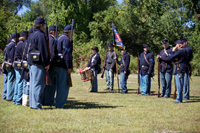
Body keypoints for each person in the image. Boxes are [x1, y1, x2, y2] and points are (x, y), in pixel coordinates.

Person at [27, 18, 50, 109]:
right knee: (38, 84)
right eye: (43, 25)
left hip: (31, 62)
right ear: (41, 25)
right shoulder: (40, 35)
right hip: (38, 63)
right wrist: (46, 63)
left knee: (33, 84)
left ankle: (33, 103)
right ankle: (36, 104)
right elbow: (43, 50)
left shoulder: (32, 35)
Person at [54, 25, 73, 108]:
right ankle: (60, 104)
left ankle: (58, 102)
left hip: (57, 64)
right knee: (63, 86)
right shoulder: (66, 39)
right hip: (63, 65)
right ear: (69, 31)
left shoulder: (58, 38)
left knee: (59, 85)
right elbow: (67, 54)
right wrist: (69, 67)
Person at [42, 25, 58, 106]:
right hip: (50, 66)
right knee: (50, 85)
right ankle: (48, 101)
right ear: (53, 32)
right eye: (57, 31)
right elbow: (52, 54)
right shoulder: (51, 39)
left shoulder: (47, 38)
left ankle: (45, 100)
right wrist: (53, 65)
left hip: (46, 64)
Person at [13, 31, 28, 105]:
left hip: (16, 64)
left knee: (18, 82)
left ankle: (15, 99)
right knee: (20, 82)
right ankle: (18, 100)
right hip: (19, 64)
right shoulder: (22, 44)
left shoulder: (18, 44)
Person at [21, 28, 33, 107]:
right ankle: (26, 102)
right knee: (27, 83)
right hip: (27, 64)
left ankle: (25, 101)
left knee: (26, 83)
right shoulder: (27, 43)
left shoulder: (25, 43)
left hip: (25, 64)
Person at [5, 33, 19, 101]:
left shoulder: (9, 44)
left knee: (9, 79)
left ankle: (8, 95)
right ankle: (10, 96)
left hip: (7, 63)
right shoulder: (13, 45)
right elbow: (12, 55)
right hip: (11, 63)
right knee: (11, 79)